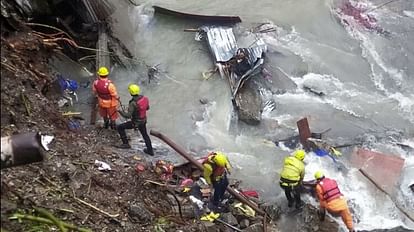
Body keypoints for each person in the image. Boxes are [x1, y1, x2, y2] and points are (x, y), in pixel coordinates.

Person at [116, 84, 154, 156]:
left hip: (136, 122)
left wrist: (119, 111)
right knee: (145, 135)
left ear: (130, 92)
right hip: (143, 120)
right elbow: (147, 108)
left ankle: (125, 144)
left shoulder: (133, 103)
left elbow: (127, 116)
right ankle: (150, 150)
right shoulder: (145, 98)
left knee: (120, 127)